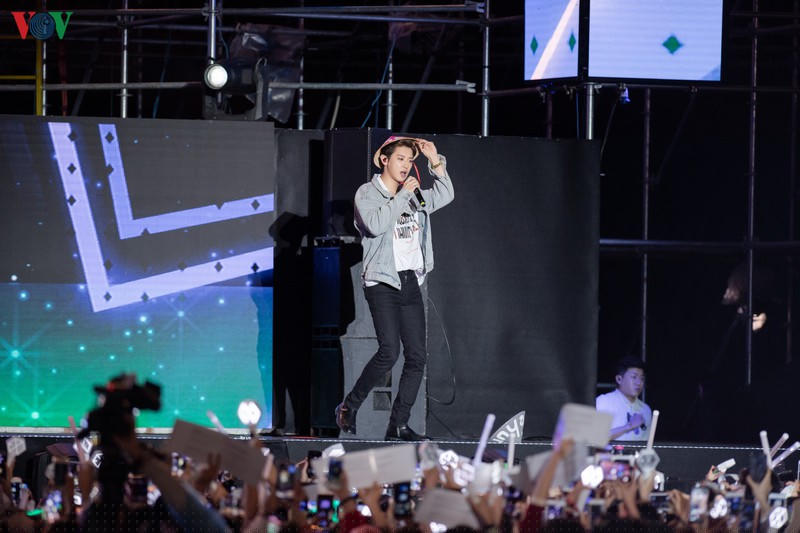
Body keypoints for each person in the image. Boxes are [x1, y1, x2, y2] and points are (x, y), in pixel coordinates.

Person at [335, 136, 454, 441]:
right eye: (401, 158)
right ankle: (349, 406)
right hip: (383, 281)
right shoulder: (367, 193)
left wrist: (434, 161)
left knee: (417, 356)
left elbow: (445, 195)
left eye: (410, 160)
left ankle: (398, 425)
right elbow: (375, 225)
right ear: (385, 160)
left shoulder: (413, 194)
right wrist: (403, 196)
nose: (406, 165)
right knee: (389, 351)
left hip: (410, 281)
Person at [596, 357, 653, 441]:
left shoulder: (645, 409)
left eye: (642, 378)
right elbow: (595, 437)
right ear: (619, 379)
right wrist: (629, 426)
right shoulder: (603, 402)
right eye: (634, 377)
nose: (639, 383)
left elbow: (646, 443)